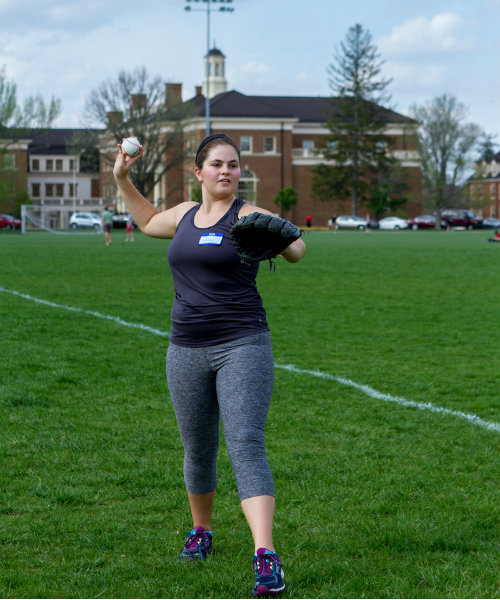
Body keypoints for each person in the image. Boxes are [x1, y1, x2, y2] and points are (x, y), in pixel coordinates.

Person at [113, 133, 306, 597]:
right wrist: (122, 177)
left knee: (245, 444)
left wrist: (282, 235)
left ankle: (266, 556)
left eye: (234, 165)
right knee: (197, 448)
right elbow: (147, 221)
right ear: (198, 173)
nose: (226, 171)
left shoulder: (251, 215)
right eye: (217, 164)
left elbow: (297, 251)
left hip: (243, 344)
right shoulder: (182, 215)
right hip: (185, 348)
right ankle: (202, 532)